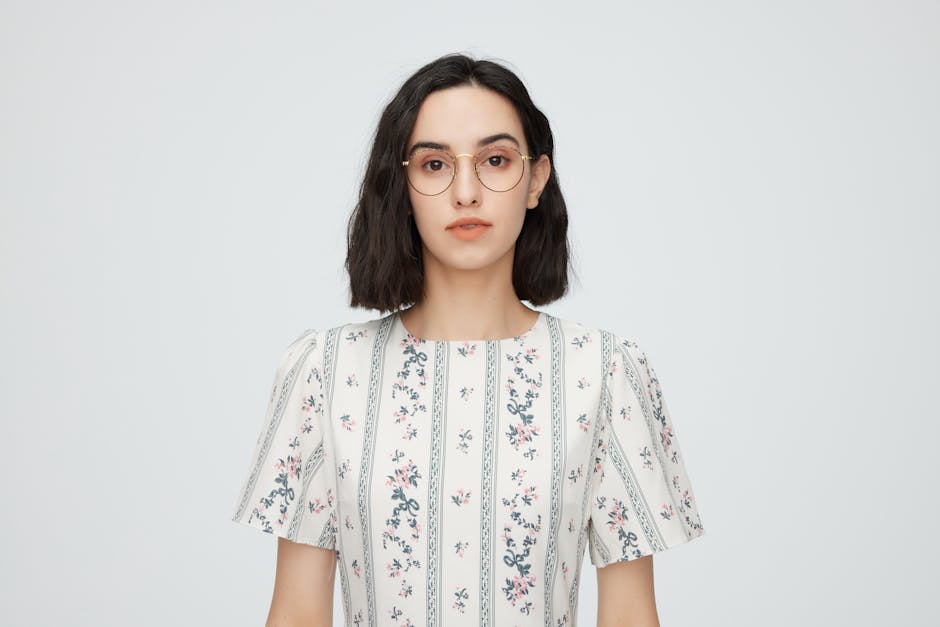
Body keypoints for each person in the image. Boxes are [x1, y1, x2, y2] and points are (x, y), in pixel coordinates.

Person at [231, 52, 705, 627]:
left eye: (495, 160)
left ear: (536, 179)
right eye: (434, 164)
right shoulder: (324, 372)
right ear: (402, 185)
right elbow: (297, 613)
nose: (465, 192)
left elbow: (630, 615)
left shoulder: (603, 372)